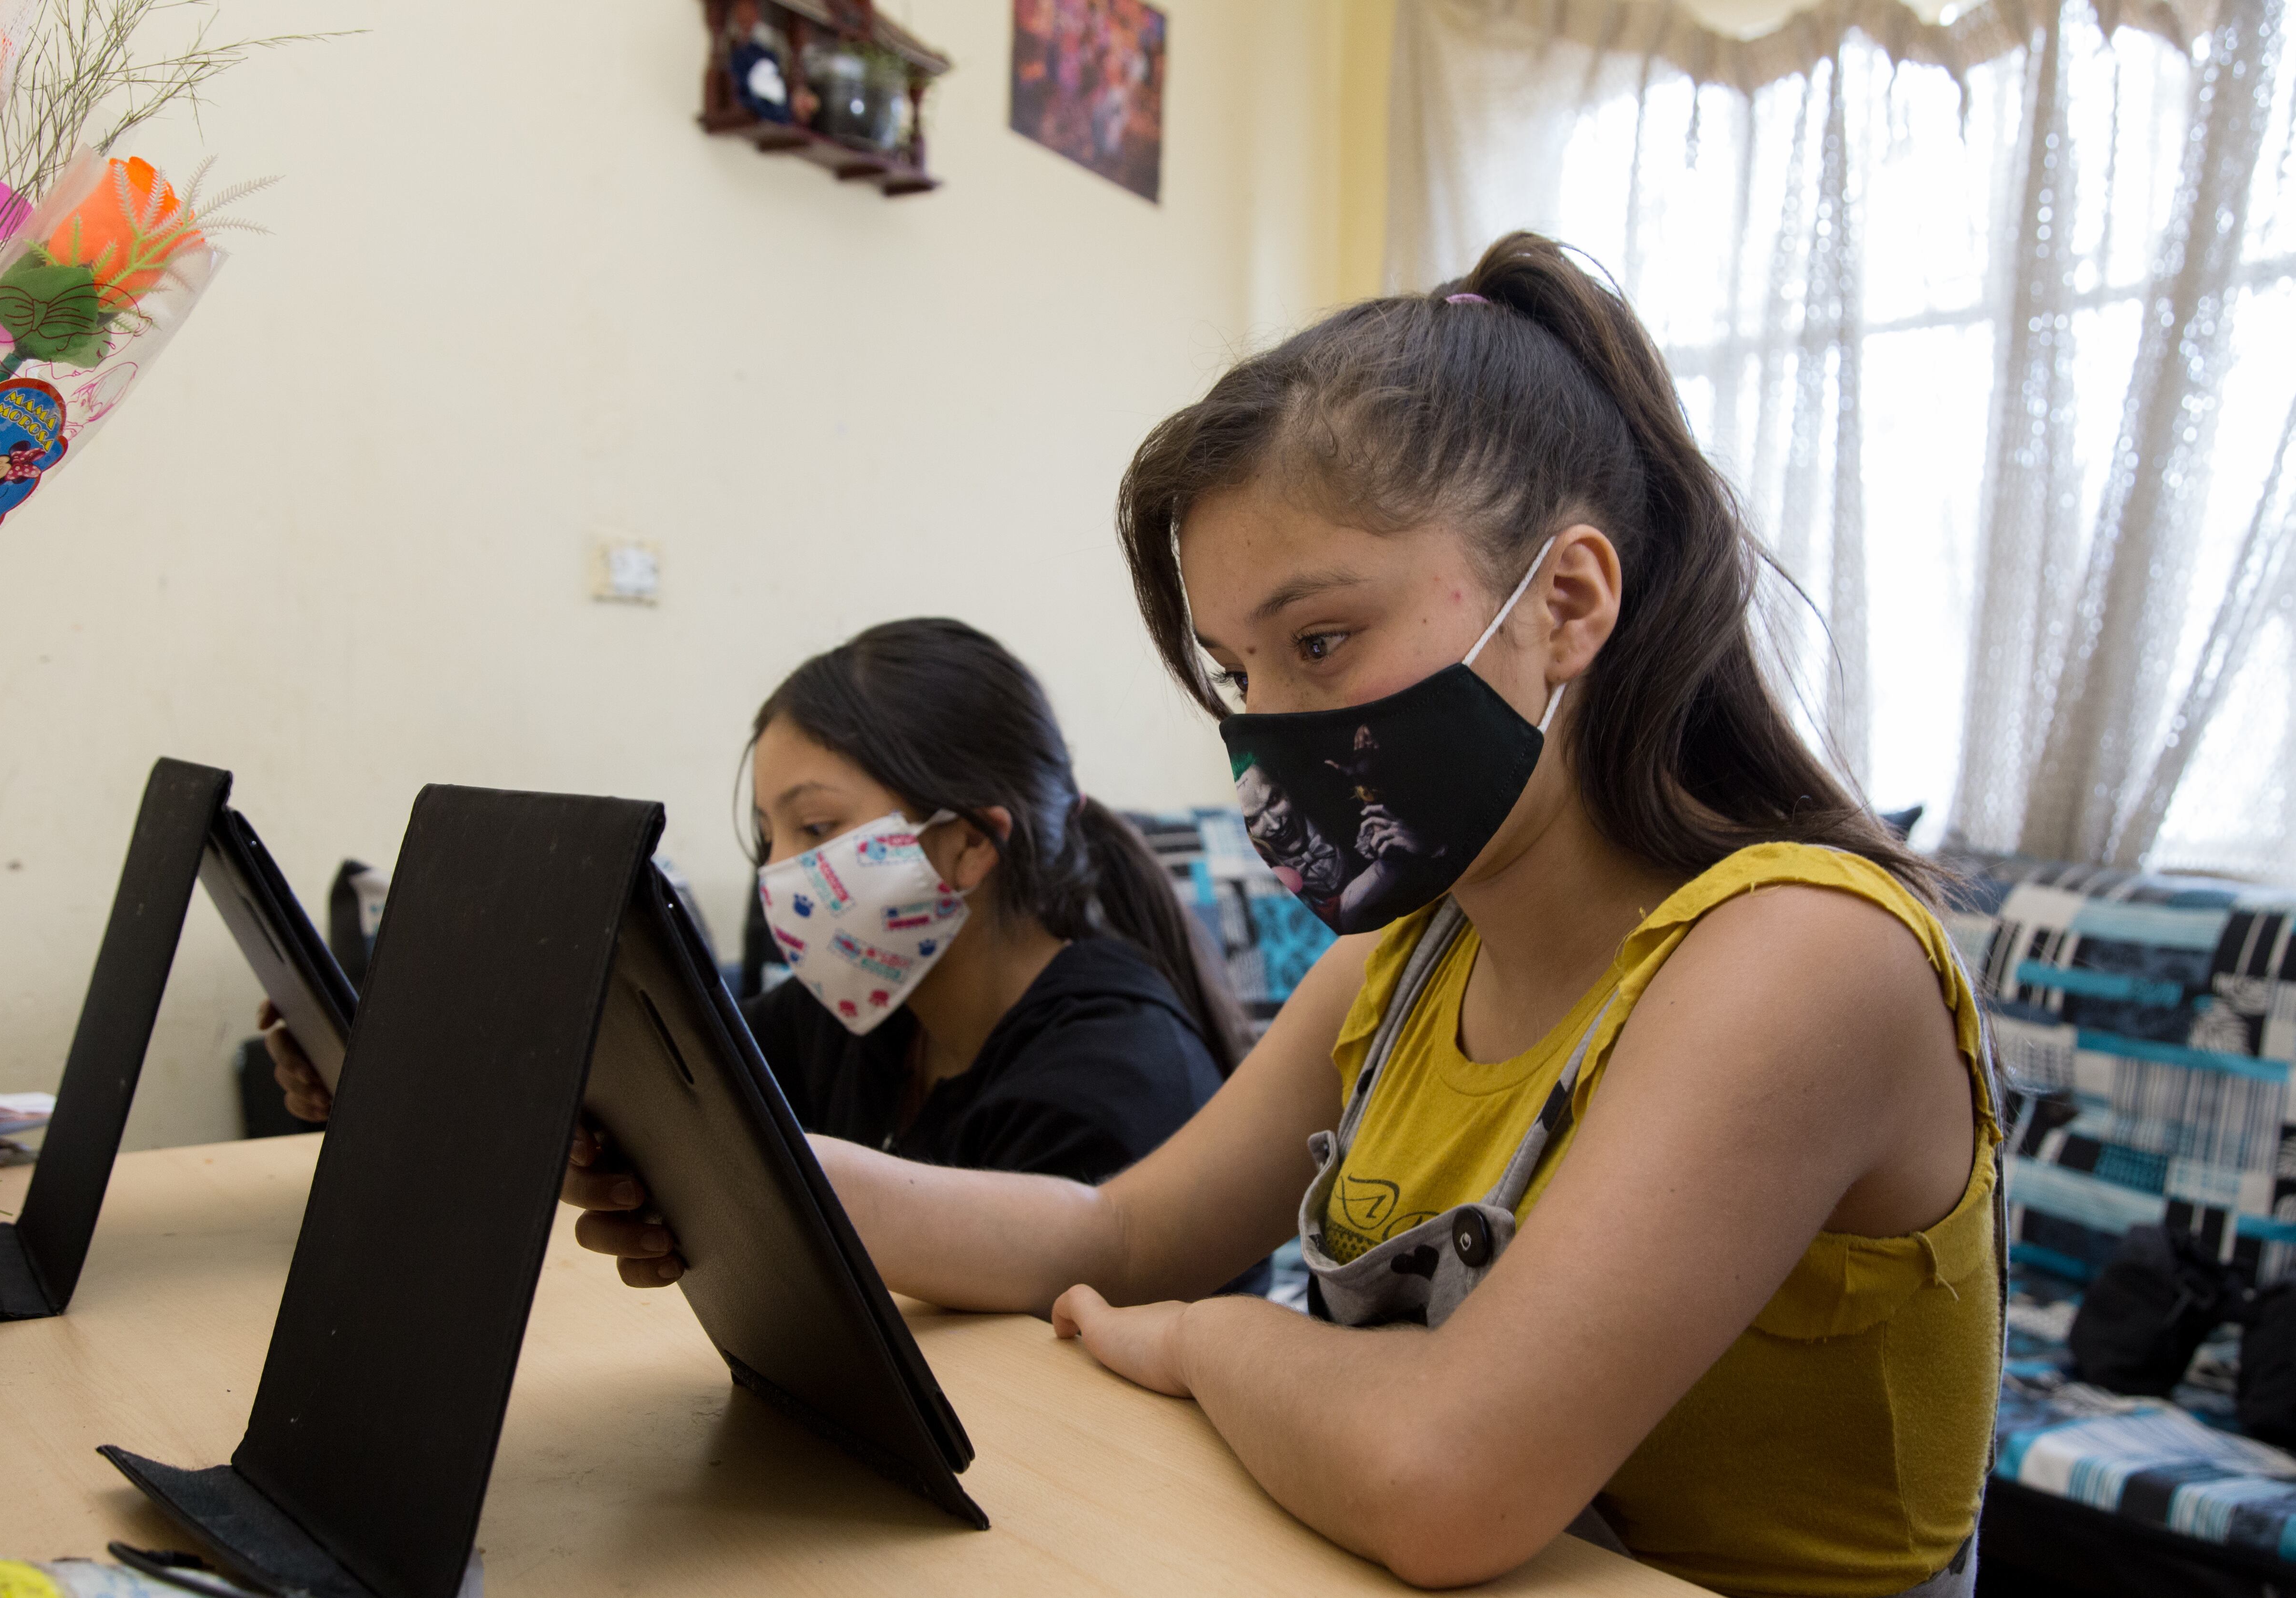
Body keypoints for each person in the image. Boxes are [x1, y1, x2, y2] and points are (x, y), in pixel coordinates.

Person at [578, 233, 1999, 1598]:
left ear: (1565, 601)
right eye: (1241, 669)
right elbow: (1122, 1233)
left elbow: (1446, 1470)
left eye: (1322, 640)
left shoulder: (1804, 955)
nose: (1271, 728)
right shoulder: (1408, 951)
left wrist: (1214, 1338)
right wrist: (751, 1166)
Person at [269, 616, 1252, 1203]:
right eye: (768, 833)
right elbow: (648, 1092)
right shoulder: (855, 1018)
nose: (779, 873)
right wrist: (388, 1074)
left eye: (816, 826)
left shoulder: (1111, 1080)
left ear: (967, 844)